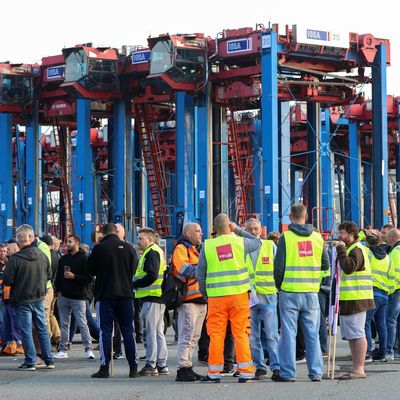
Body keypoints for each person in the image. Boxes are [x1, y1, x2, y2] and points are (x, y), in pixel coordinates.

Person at [197, 213, 261, 383]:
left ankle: (214, 372)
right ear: (229, 226)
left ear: (214, 228)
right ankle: (246, 371)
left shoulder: (208, 246)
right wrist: (238, 229)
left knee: (216, 334)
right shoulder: (240, 242)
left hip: (217, 297)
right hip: (239, 295)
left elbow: (200, 274)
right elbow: (257, 242)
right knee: (240, 333)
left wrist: (205, 293)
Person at [274, 203, 329, 382]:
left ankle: (288, 373)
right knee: (312, 333)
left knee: (289, 333)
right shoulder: (318, 238)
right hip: (311, 292)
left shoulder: (286, 238)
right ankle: (316, 372)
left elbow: (279, 267)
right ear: (306, 217)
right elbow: (325, 264)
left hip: (289, 291)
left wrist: (280, 285)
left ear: (290, 217)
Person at [88, 223, 139, 378]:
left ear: (103, 234)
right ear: (117, 232)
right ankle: (133, 367)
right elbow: (134, 269)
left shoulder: (99, 249)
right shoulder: (129, 248)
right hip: (126, 295)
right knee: (128, 330)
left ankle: (104, 368)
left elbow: (90, 270)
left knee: (105, 331)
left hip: (105, 295)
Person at [3, 230, 54, 371]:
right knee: (42, 329)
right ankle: (49, 359)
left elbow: (7, 280)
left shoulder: (15, 258)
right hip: (39, 298)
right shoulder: (42, 255)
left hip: (22, 300)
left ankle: (30, 361)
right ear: (30, 240)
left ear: (19, 243)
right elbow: (49, 275)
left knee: (26, 331)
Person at [335, 221, 375, 380]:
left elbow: (349, 267)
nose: (339, 236)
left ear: (352, 234)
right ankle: (356, 367)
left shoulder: (356, 249)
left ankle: (359, 369)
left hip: (357, 298)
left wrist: (340, 250)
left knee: (357, 333)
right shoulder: (353, 248)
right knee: (351, 335)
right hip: (350, 297)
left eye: (342, 233)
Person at [242, 218, 280, 379]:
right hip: (248, 296)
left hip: (268, 296)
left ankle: (276, 366)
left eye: (256, 229)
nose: (253, 232)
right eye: (250, 229)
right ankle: (259, 366)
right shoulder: (240, 247)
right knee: (253, 336)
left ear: (261, 230)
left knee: (271, 334)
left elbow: (278, 267)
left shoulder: (270, 246)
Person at [172, 222, 207, 382]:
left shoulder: (194, 249)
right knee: (187, 335)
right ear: (188, 233)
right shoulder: (181, 248)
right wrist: (203, 270)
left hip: (199, 299)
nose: (201, 233)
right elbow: (183, 269)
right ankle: (183, 368)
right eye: (197, 231)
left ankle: (187, 366)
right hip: (188, 300)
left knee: (194, 336)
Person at [133, 227, 169, 376]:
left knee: (151, 332)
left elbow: (152, 276)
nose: (138, 241)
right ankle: (161, 364)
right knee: (158, 331)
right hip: (157, 297)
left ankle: (151, 364)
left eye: (141, 238)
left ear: (150, 239)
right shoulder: (154, 251)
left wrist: (135, 284)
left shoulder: (151, 253)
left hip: (152, 296)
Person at [53, 235, 95, 359]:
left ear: (77, 243)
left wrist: (74, 277)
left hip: (79, 297)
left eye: (70, 242)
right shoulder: (63, 259)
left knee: (83, 323)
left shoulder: (85, 259)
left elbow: (89, 279)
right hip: (64, 296)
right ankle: (63, 349)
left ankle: (88, 349)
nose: (67, 244)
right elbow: (59, 276)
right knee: (64, 324)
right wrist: (58, 290)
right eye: (67, 242)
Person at [364, 234, 394, 362]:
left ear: (368, 245)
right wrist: (389, 291)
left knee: (365, 322)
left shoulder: (368, 254)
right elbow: (392, 277)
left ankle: (368, 352)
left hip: (372, 292)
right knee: (381, 324)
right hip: (384, 294)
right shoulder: (388, 258)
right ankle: (383, 352)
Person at [40, 235, 61, 348]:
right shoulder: (56, 256)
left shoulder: (46, 255)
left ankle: (47, 340)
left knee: (46, 315)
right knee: (51, 314)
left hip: (47, 287)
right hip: (54, 288)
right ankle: (57, 336)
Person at [386, 228, 400, 360]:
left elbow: (392, 273)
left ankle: (389, 350)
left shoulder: (395, 252)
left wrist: (389, 289)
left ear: (391, 238)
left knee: (390, 320)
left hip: (396, 290)